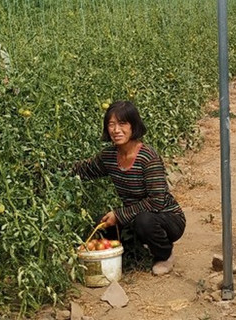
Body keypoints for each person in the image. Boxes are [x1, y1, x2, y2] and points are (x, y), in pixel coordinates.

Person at [72, 100, 185, 276]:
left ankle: (164, 254)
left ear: (134, 126)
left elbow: (157, 201)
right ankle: (130, 252)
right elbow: (83, 170)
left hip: (166, 217)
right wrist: (46, 169)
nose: (116, 130)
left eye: (122, 123)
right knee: (101, 223)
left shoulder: (148, 157)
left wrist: (119, 215)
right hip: (133, 215)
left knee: (144, 221)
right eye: (111, 124)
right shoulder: (109, 156)